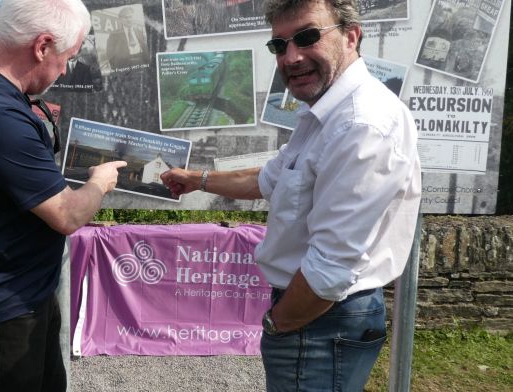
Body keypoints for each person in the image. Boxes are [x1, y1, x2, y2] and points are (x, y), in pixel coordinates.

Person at [160, 0, 421, 390]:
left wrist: (277, 324)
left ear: (351, 37)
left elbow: (330, 269)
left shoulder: (360, 125)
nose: (291, 56)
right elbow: (267, 179)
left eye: (307, 37)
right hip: (319, 316)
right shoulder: (328, 113)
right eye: (279, 46)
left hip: (319, 320)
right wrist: (196, 178)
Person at [0, 0, 126, 391]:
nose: (66, 69)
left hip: (23, 292)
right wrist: (99, 182)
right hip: (2, 307)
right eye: (67, 57)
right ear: (42, 46)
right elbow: (68, 215)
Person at [105, 6, 149, 71]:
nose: (129, 19)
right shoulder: (114, 35)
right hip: (124, 66)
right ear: (120, 20)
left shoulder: (139, 31)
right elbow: (109, 54)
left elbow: (145, 48)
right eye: (126, 17)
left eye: (130, 16)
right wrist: (117, 68)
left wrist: (147, 63)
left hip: (141, 62)